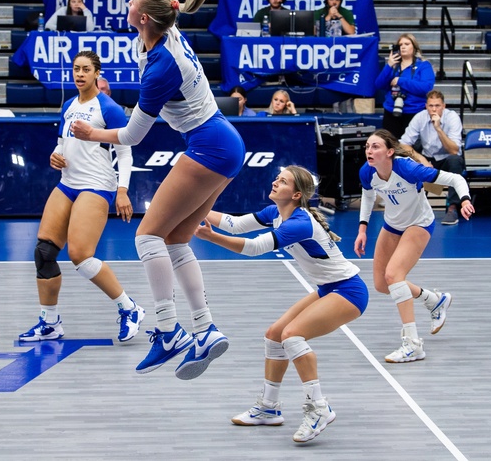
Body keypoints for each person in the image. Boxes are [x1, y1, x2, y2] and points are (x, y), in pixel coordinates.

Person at [69, 0, 244, 379]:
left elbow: (131, 136)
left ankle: (167, 331)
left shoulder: (160, 68)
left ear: (142, 16)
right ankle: (206, 326)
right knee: (176, 239)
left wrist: (89, 131)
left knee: (147, 236)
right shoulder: (160, 25)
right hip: (221, 140)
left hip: (209, 144)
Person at [194, 165, 366, 443]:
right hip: (327, 289)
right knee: (275, 336)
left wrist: (211, 237)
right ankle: (268, 408)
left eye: (282, 181)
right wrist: (192, 207)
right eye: (277, 178)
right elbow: (235, 225)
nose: (275, 182)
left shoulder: (299, 223)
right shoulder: (276, 213)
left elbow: (252, 248)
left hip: (349, 291)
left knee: (291, 335)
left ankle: (318, 407)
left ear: (296, 194)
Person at [20, 50, 143, 343]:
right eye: (76, 69)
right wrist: (56, 156)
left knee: (80, 254)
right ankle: (50, 322)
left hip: (96, 184)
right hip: (67, 183)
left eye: (86, 69)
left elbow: (125, 151)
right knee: (44, 253)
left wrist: (122, 190)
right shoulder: (68, 105)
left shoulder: (109, 108)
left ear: (96, 73)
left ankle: (130, 308)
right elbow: (62, 143)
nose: (79, 74)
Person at [354, 130, 473, 362]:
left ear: (389, 152)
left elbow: (456, 179)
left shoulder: (408, 169)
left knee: (394, 275)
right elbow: (368, 197)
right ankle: (433, 299)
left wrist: (465, 199)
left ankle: (413, 344)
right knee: (381, 284)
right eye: (368, 146)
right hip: (392, 225)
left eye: (375, 147)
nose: (369, 151)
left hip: (419, 224)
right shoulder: (367, 172)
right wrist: (362, 228)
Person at [399, 90, 466, 225]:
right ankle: (412, 208)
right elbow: (403, 145)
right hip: (428, 159)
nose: (434, 109)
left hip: (447, 159)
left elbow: (454, 150)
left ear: (444, 106)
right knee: (406, 161)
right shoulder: (420, 117)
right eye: (431, 106)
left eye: (437, 105)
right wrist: (421, 160)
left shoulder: (452, 118)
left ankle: (452, 208)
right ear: (426, 106)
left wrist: (438, 128)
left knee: (456, 160)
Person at [375, 33, 436, 137]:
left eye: (407, 44)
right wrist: (388, 65)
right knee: (391, 147)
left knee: (412, 148)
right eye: (400, 44)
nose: (403, 46)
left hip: (414, 112)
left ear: (414, 47)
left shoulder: (424, 65)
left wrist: (401, 81)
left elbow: (426, 88)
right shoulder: (393, 66)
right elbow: (378, 85)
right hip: (391, 111)